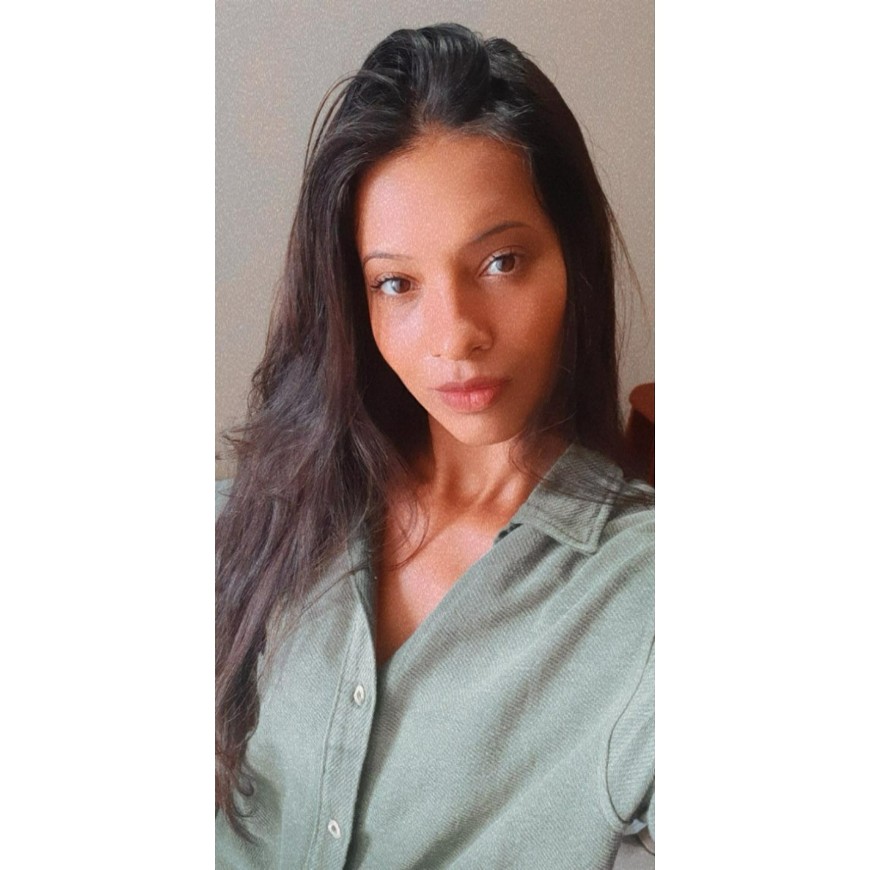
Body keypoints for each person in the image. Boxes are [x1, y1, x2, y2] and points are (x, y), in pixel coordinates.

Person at [216, 22, 654, 869]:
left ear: (572, 260)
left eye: (500, 263)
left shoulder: (640, 598)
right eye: (397, 283)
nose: (455, 336)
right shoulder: (286, 496)